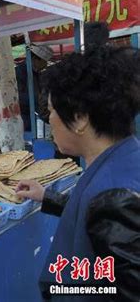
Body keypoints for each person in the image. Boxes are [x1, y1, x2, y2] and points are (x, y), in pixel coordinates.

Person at [15, 46, 140, 301]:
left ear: (80, 117)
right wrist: (47, 196)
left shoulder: (118, 199)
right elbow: (95, 212)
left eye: (52, 110)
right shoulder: (125, 156)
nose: (50, 119)